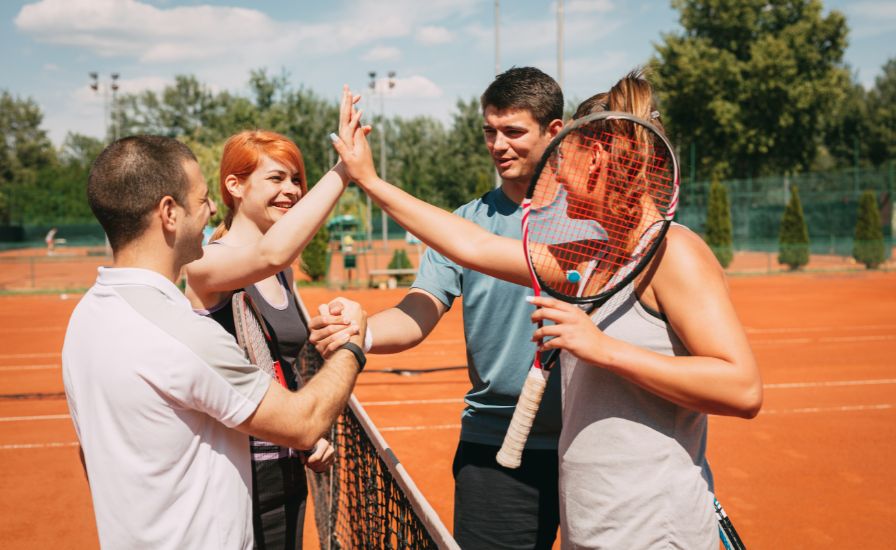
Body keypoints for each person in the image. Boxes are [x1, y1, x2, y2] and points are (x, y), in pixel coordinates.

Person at [326, 69, 763, 548]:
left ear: (594, 157)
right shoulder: (595, 255)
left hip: (653, 529)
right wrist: (368, 180)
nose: (555, 174)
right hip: (595, 527)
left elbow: (742, 389)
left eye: (563, 157)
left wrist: (601, 348)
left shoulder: (672, 252)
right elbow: (471, 244)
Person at [62, 135, 367, 549]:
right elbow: (303, 422)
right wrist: (353, 345)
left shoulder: (86, 318)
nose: (210, 210)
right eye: (203, 198)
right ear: (169, 212)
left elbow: (90, 453)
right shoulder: (183, 335)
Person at [313, 67, 564, 549]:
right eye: (489, 131)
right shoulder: (465, 222)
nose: (498, 145)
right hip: (495, 448)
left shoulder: (593, 217)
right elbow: (418, 312)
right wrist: (361, 331)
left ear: (553, 131)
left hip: (589, 443)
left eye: (513, 131)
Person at [182, 88, 362, 549]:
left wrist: (306, 435)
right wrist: (346, 169)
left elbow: (283, 369)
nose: (292, 190)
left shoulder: (281, 272)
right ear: (234, 186)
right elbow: (273, 249)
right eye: (277, 178)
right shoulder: (205, 264)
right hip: (234, 474)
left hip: (284, 468)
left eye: (296, 179)